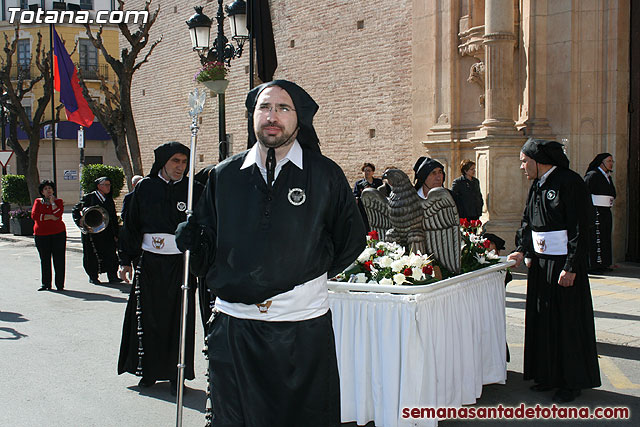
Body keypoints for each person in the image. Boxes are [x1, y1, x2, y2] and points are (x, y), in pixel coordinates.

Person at [176, 79, 366, 426]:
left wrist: (301, 269)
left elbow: (350, 240)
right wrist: (192, 240)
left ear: (299, 118)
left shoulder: (325, 175)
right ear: (253, 116)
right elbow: (206, 256)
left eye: (283, 108)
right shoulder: (224, 175)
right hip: (236, 330)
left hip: (301, 329)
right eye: (264, 107)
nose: (272, 116)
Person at [507, 138, 600, 403]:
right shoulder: (536, 184)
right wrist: (522, 249)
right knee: (543, 319)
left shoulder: (570, 182)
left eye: (525, 161)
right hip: (540, 264)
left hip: (563, 266)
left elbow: (581, 227)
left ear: (539, 160)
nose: (522, 167)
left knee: (567, 323)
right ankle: (546, 374)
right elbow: (528, 220)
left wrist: (571, 266)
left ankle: (571, 381)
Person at [116, 141, 196, 395]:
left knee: (178, 319)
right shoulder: (145, 189)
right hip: (149, 262)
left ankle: (177, 375)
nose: (180, 167)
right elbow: (131, 225)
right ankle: (148, 371)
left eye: (184, 162)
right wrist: (125, 260)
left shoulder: (194, 190)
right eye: (175, 161)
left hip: (180, 265)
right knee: (149, 318)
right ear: (163, 162)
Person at [72, 176, 120, 285]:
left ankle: (112, 275)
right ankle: (93, 276)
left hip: (106, 231)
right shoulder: (89, 198)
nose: (108, 187)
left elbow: (112, 217)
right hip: (92, 232)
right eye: (106, 185)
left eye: (109, 185)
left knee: (110, 253)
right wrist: (79, 221)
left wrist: (116, 233)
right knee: (92, 254)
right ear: (99, 186)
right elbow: (76, 209)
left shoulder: (109, 199)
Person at [31, 180, 66, 291]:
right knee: (45, 259)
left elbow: (58, 214)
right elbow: (35, 216)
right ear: (42, 191)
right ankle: (46, 284)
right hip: (41, 234)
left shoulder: (59, 201)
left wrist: (52, 203)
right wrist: (50, 216)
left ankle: (60, 284)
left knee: (59, 259)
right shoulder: (38, 202)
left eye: (50, 188)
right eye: (46, 189)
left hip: (58, 234)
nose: (48, 190)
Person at [584, 153, 616, 273]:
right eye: (609, 161)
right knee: (595, 238)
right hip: (596, 211)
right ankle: (594, 265)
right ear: (601, 162)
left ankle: (604, 263)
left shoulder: (607, 176)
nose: (611, 163)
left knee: (605, 236)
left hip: (605, 210)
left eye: (612, 161)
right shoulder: (593, 175)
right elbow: (585, 192)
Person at [353, 162, 383, 231]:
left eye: (369, 171)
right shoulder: (359, 184)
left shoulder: (378, 182)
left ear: (373, 172)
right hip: (364, 209)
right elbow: (356, 195)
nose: (366, 172)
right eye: (364, 171)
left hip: (377, 208)